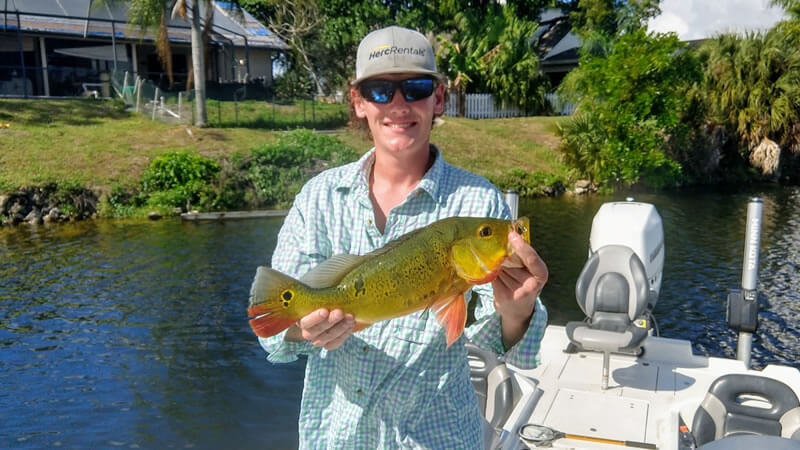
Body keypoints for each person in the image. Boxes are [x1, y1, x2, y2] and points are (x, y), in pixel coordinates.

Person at [257, 25, 549, 448]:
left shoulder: (479, 200)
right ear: (357, 101)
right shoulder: (318, 197)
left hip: (437, 436)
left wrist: (517, 313)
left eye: (415, 88)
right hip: (338, 436)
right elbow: (274, 329)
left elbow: (496, 344)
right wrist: (302, 328)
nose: (399, 104)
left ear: (439, 98)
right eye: (380, 90)